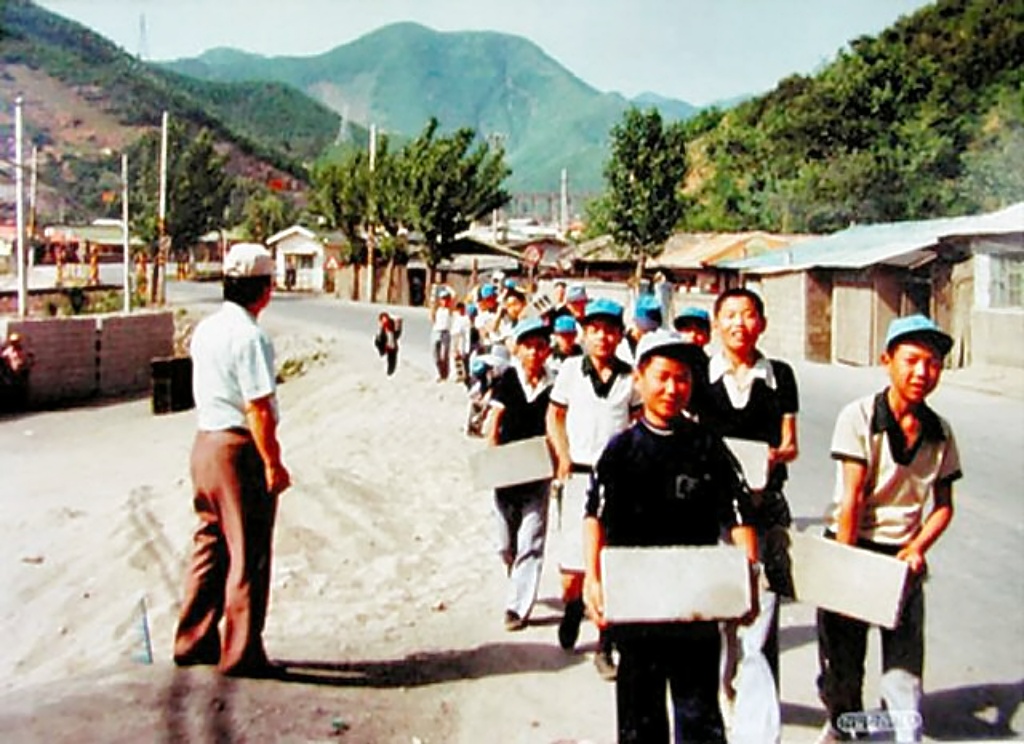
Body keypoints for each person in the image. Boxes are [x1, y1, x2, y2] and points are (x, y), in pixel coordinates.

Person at [583, 330, 759, 744]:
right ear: (639, 379)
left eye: (682, 378)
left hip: (694, 601)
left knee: (699, 712)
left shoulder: (708, 446)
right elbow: (595, 517)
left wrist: (748, 575)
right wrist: (593, 578)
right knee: (640, 714)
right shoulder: (620, 451)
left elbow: (738, 514)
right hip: (637, 603)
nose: (672, 388)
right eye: (662, 377)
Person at [816, 315, 961, 744]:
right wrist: (845, 570)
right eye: (911, 360)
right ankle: (842, 724)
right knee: (843, 660)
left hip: (901, 557)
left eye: (932, 363)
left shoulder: (940, 432)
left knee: (904, 663)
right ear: (887, 361)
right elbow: (852, 498)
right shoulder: (859, 417)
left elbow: (944, 507)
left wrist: (917, 547)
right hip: (851, 543)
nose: (921, 372)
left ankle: (902, 733)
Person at [173, 242, 291, 678]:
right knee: (248, 550)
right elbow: (258, 408)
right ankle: (241, 652)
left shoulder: (206, 329)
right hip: (237, 448)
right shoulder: (251, 337)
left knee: (210, 543)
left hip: (205, 442)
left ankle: (192, 639)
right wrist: (272, 462)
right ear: (263, 289)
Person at [694, 287, 798, 741]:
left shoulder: (780, 376)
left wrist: (770, 458)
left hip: (764, 505)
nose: (740, 323)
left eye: (749, 314)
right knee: (720, 612)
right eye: (731, 315)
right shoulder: (700, 375)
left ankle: (760, 727)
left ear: (763, 323)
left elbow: (790, 443)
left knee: (762, 615)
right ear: (717, 323)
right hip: (712, 510)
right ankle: (724, 692)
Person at [547, 297, 640, 681]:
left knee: (609, 562)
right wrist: (563, 456)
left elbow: (638, 422)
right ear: (584, 334)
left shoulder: (631, 377)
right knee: (574, 568)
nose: (603, 337)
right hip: (579, 475)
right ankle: (573, 606)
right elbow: (555, 415)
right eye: (595, 330)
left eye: (610, 331)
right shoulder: (571, 370)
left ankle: (605, 644)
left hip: (616, 480)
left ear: (620, 335)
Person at [486, 317, 556, 631]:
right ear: (517, 349)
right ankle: (515, 571)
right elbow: (494, 420)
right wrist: (491, 456)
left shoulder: (554, 384)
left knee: (532, 539)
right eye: (528, 346)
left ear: (547, 351)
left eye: (540, 347)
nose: (534, 353)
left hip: (539, 469)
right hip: (508, 468)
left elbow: (558, 423)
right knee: (505, 543)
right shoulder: (508, 380)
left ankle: (517, 608)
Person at [0, 331, 34, 413]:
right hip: (13, 373)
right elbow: (3, 360)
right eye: (13, 342)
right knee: (13, 389)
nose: (15, 343)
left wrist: (29, 365)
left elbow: (30, 357)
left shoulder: (23, 350)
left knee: (23, 389)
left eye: (16, 341)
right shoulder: (8, 351)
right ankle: (13, 407)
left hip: (23, 372)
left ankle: (22, 406)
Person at [430, 287, 454, 382]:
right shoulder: (437, 310)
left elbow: (455, 296)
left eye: (446, 299)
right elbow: (432, 316)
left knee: (444, 355)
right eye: (443, 299)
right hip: (436, 331)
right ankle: (438, 373)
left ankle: (445, 373)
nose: (445, 301)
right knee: (435, 355)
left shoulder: (450, 310)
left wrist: (448, 287)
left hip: (445, 333)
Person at [373, 312, 402, 376]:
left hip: (391, 347)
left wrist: (399, 326)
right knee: (390, 360)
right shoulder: (383, 327)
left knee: (391, 361)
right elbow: (382, 336)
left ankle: (390, 373)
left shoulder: (390, 325)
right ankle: (389, 372)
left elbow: (396, 335)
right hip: (387, 346)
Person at [451, 301, 473, 383]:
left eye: (461, 308)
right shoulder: (456, 318)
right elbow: (454, 332)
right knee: (457, 359)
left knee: (465, 359)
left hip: (465, 341)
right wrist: (455, 347)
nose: (460, 310)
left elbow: (468, 331)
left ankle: (467, 376)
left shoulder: (467, 318)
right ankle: (458, 375)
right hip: (457, 341)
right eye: (458, 308)